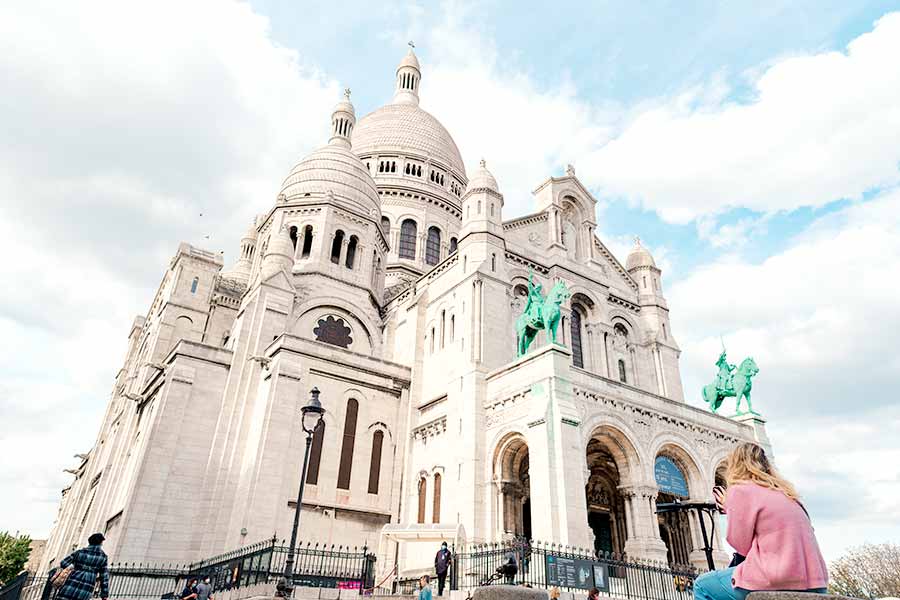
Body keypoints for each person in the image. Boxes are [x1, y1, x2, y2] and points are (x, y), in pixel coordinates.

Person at [693, 442, 828, 600]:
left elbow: (741, 546)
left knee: (702, 585)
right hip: (816, 584)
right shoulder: (788, 495)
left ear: (735, 465)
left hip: (777, 580)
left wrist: (729, 507)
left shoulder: (740, 490)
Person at [54, 533, 110, 600]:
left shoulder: (79, 552)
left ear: (90, 542)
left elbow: (63, 563)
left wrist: (75, 569)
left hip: (71, 583)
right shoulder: (103, 557)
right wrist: (104, 594)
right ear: (101, 543)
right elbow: (104, 577)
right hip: (87, 587)